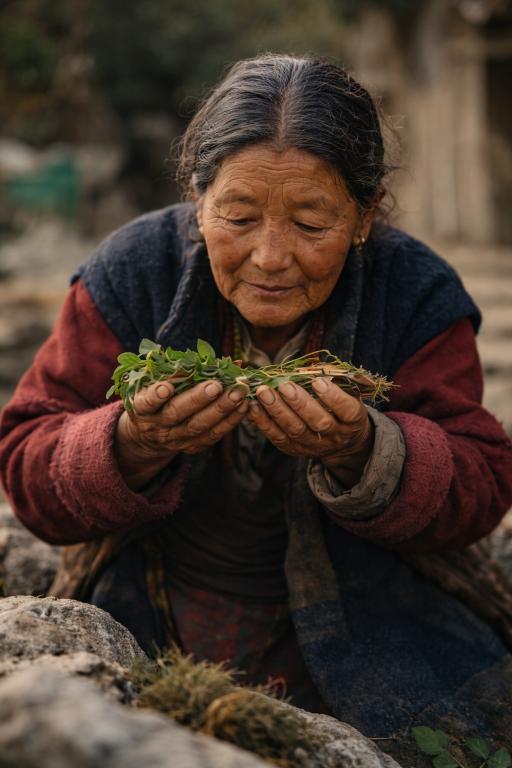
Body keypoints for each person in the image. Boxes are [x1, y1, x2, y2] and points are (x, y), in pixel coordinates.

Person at [1, 54, 512, 758]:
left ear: (364, 216)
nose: (270, 258)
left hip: (372, 609)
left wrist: (367, 450)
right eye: (237, 216)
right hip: (157, 600)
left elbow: (481, 480)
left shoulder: (416, 292)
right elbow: (28, 461)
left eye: (311, 222)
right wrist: (130, 444)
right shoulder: (131, 270)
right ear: (198, 197)